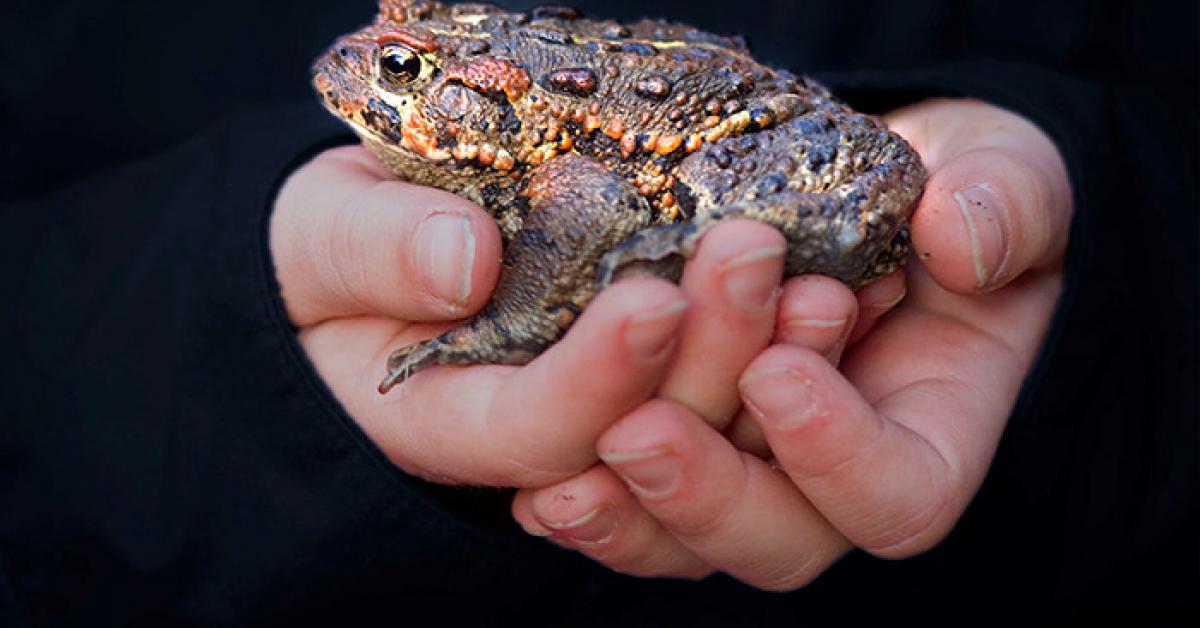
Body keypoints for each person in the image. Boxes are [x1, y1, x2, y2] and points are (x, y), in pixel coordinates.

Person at [1, 0, 1194, 625]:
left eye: (406, 73)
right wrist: (208, 300)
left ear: (480, 97)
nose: (360, 68)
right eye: (390, 49)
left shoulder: (551, 159)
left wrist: (1113, 262)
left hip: (758, 146)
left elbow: (574, 209)